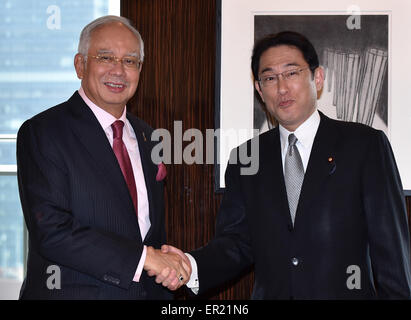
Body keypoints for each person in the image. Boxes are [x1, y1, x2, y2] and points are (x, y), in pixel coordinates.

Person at [160, 31, 411, 299]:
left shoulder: (364, 145)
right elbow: (237, 244)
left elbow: (391, 254)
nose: (281, 88)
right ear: (259, 89)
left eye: (291, 73)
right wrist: (191, 266)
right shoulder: (245, 158)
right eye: (269, 78)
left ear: (317, 78)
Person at [17, 15, 190, 300]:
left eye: (130, 61)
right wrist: (145, 258)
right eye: (106, 57)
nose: (119, 71)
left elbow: (145, 231)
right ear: (80, 65)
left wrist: (168, 264)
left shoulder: (150, 137)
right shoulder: (44, 132)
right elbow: (51, 231)